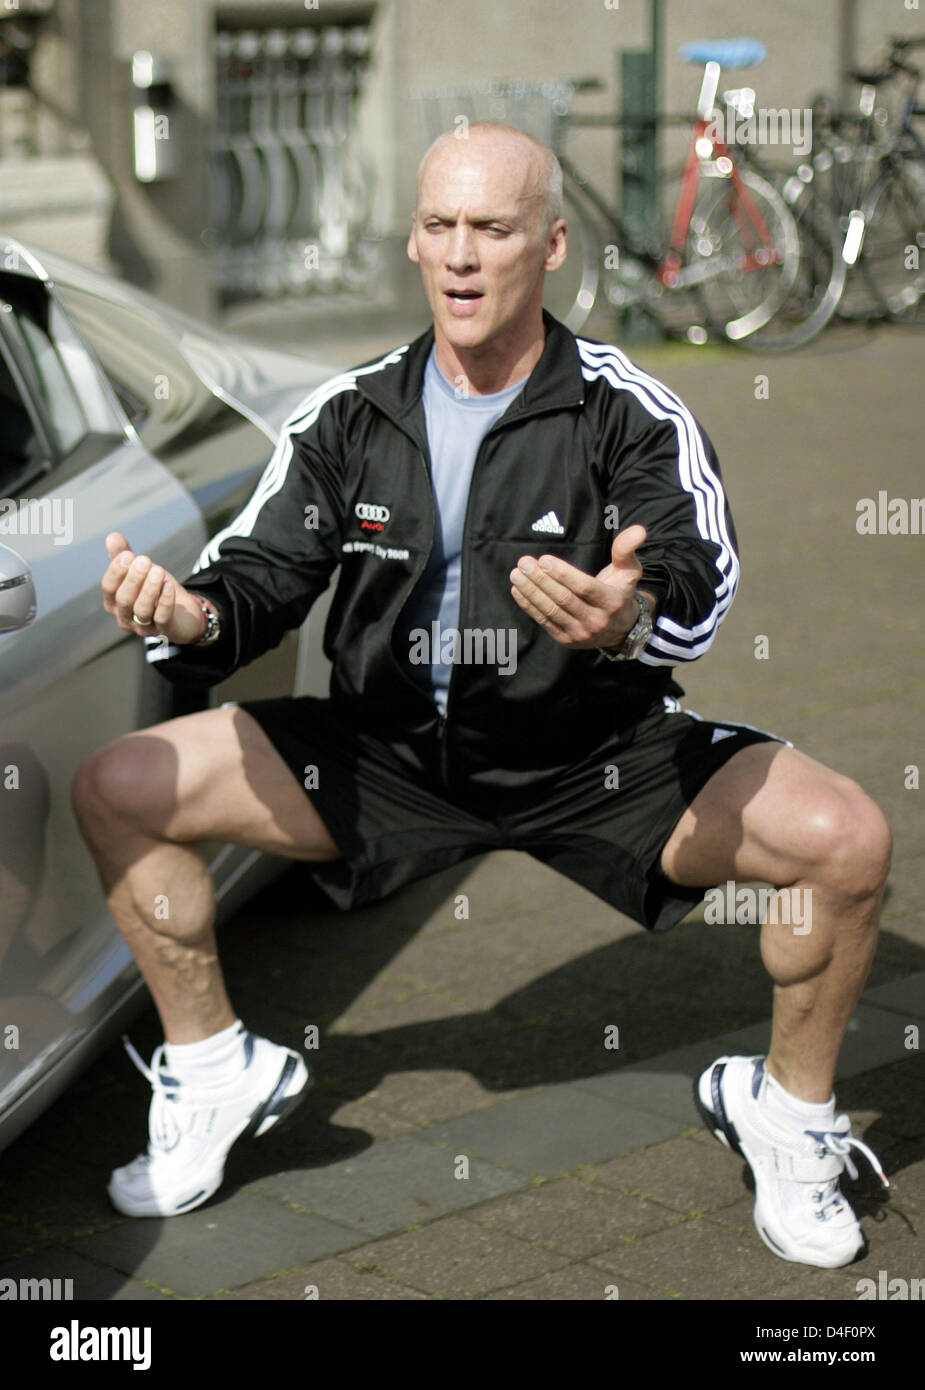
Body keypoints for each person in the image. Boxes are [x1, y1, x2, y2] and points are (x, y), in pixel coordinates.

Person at [73, 122, 891, 1270]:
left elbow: (695, 575)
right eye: (441, 227)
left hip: (591, 759)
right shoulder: (350, 416)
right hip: (383, 760)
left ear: (551, 244)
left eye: (493, 229)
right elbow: (256, 586)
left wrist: (627, 618)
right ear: (413, 240)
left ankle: (789, 1117)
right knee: (121, 786)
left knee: (844, 840)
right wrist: (188, 618)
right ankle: (217, 1071)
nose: (461, 255)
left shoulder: (622, 408)